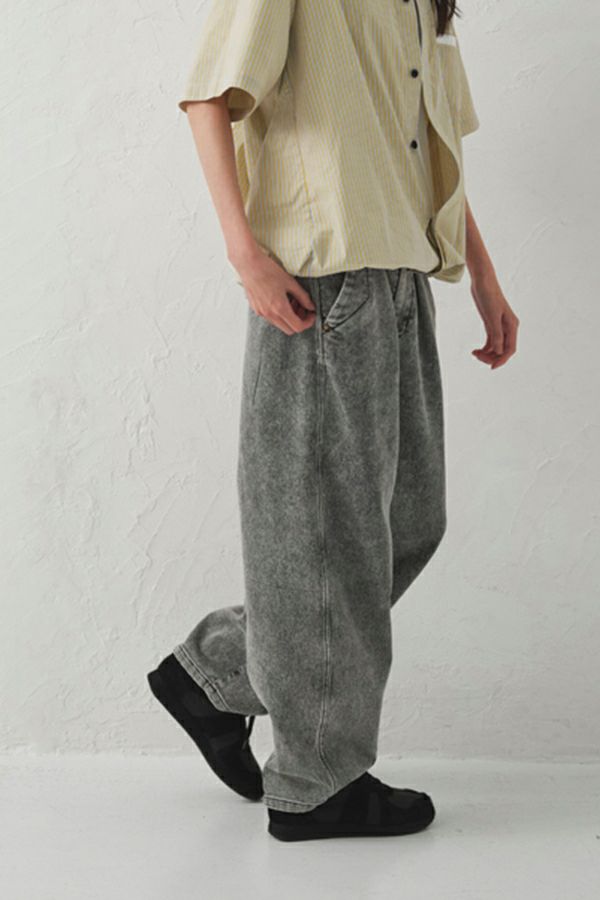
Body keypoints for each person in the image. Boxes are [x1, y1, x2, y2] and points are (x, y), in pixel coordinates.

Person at [147, 0, 519, 842]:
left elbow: (424, 152)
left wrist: (483, 276)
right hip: (322, 284)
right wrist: (245, 254)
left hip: (403, 279)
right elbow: (208, 95)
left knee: (408, 523)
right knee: (325, 539)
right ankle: (316, 783)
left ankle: (218, 672)